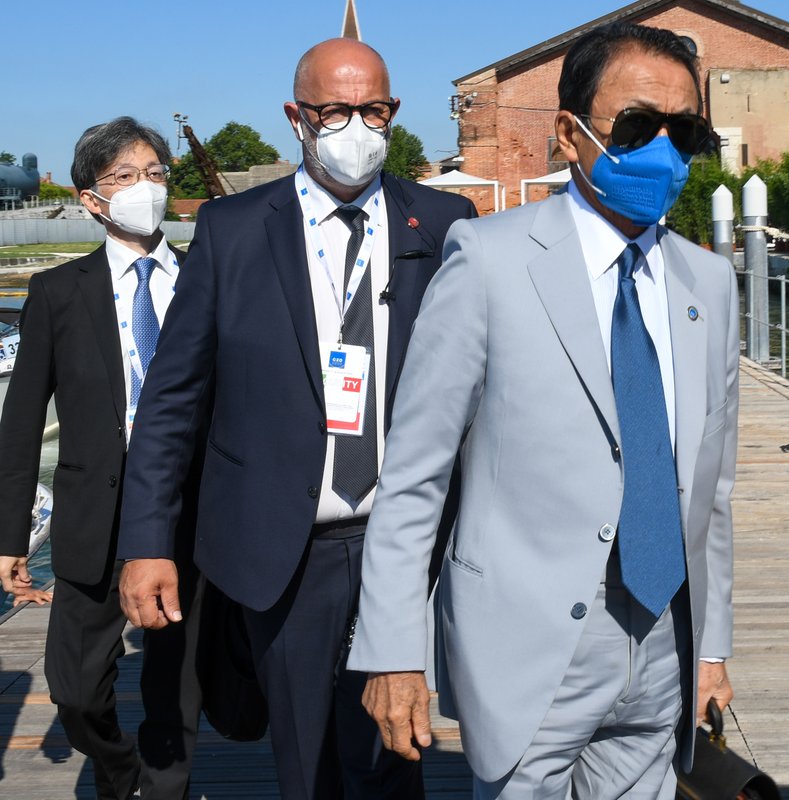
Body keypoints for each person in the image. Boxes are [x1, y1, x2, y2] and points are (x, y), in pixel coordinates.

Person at [351, 22, 738, 798]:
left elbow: (713, 488)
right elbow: (416, 475)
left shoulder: (709, 283)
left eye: (686, 132)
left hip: (663, 641)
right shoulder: (487, 260)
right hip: (526, 647)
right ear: (569, 133)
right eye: (637, 127)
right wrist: (392, 651)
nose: (664, 151)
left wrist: (711, 647)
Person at [116, 38, 475, 800]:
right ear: (296, 117)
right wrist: (147, 542)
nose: (357, 128)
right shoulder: (232, 230)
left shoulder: (446, 224)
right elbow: (172, 401)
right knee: (309, 764)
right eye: (334, 111)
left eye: (373, 110)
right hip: (285, 552)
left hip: (407, 541)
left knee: (395, 753)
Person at [0, 117, 203, 800]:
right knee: (75, 691)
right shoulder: (57, 292)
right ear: (91, 198)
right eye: (124, 176)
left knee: (176, 687)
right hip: (94, 517)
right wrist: (9, 533)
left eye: (154, 173)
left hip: (188, 512)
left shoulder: (206, 278)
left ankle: (163, 790)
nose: (146, 186)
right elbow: (20, 421)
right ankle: (121, 771)